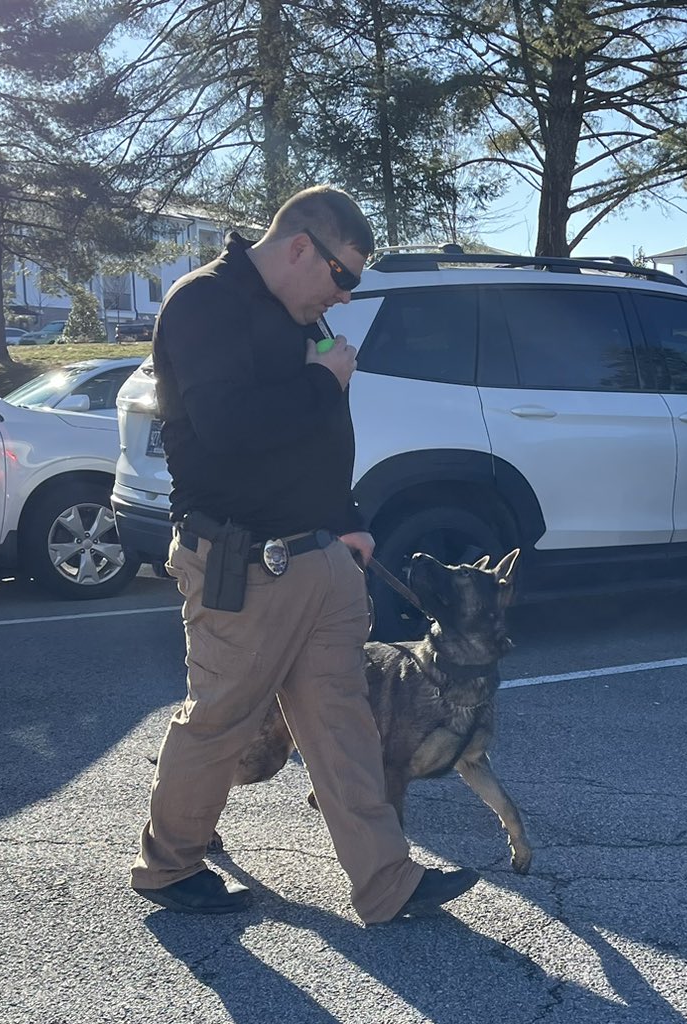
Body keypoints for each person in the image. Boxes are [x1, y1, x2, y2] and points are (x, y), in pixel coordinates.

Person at [129, 185, 478, 925]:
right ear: (299, 248)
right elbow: (230, 428)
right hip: (239, 557)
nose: (345, 298)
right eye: (343, 276)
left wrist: (346, 517)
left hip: (318, 553)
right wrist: (324, 380)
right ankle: (168, 867)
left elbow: (318, 440)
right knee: (221, 718)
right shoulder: (205, 304)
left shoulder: (302, 317)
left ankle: (386, 882)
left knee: (343, 718)